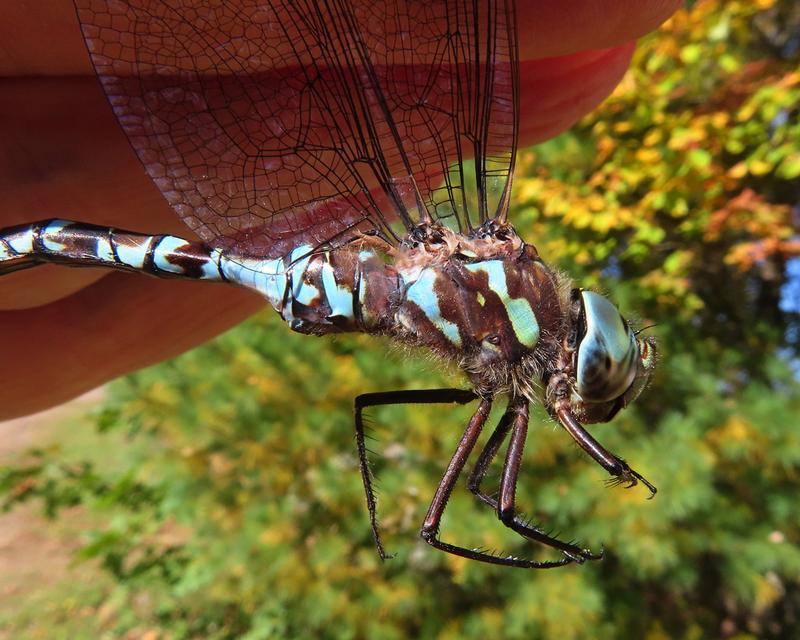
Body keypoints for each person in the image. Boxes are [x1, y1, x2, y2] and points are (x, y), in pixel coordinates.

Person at [0, 0, 679, 420]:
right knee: (49, 242)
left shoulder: (512, 349)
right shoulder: (505, 321)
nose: (583, 387)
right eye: (594, 373)